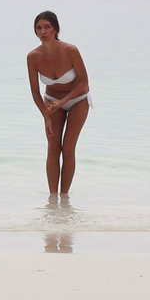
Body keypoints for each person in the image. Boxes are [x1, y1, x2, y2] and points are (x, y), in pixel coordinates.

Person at [26, 11, 90, 197]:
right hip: (51, 103)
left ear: (56, 29)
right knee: (53, 147)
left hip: (78, 99)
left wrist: (62, 101)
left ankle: (65, 196)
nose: (43, 31)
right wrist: (46, 116)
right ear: (35, 31)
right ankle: (53, 199)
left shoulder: (70, 50)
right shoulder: (33, 57)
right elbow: (35, 91)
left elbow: (83, 83)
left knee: (68, 147)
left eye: (47, 27)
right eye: (39, 28)